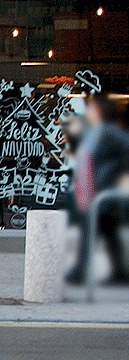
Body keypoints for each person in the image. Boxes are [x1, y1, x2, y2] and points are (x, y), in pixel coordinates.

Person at [68, 93, 129, 285]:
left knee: (90, 229)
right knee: (108, 231)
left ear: (101, 111)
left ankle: (80, 271)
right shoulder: (92, 131)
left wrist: (121, 173)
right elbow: (83, 156)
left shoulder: (110, 131)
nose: (89, 112)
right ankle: (119, 272)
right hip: (91, 188)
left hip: (103, 189)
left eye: (92, 108)